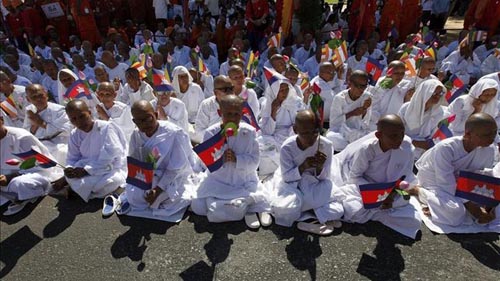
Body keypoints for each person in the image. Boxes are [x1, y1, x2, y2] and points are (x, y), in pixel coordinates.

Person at [332, 115, 421, 238]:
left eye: (402, 134)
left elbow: (405, 176)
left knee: (413, 220)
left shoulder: (407, 148)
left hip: (392, 190)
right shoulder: (367, 149)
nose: (399, 139)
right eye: (393, 136)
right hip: (368, 186)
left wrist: (392, 195)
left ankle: (378, 209)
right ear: (379, 136)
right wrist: (379, 195)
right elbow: (355, 177)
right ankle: (378, 209)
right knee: (352, 209)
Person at [191, 95, 268, 228]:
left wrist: (237, 159)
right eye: (228, 114)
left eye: (236, 114)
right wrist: (220, 154)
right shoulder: (211, 132)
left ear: (242, 114)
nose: (232, 118)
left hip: (242, 180)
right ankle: (245, 206)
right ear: (220, 113)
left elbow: (255, 162)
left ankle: (246, 206)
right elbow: (207, 164)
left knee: (260, 198)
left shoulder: (249, 132)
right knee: (197, 206)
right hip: (218, 181)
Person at [414, 113, 499, 230]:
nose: (492, 138)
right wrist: (473, 208)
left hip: (463, 183)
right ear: (468, 134)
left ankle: (440, 206)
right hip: (435, 180)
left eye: (494, 133)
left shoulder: (489, 149)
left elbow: (480, 177)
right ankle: (419, 191)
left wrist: (487, 202)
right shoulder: (446, 148)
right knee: (455, 213)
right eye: (486, 134)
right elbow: (446, 182)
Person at [267, 110, 344, 234]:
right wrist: (303, 167)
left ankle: (309, 216)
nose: (311, 137)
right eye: (305, 133)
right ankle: (315, 215)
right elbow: (286, 177)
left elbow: (325, 178)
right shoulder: (287, 147)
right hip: (294, 186)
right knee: (283, 209)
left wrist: (319, 167)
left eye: (314, 132)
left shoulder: (326, 145)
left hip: (315, 184)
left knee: (340, 210)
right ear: (295, 129)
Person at [114, 101, 194, 221]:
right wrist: (141, 182)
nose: (145, 124)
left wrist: (157, 189)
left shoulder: (174, 133)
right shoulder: (136, 135)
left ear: (156, 115)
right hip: (147, 176)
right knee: (133, 196)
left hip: (173, 176)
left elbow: (177, 168)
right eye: (139, 121)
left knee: (173, 200)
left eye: (148, 119)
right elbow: (134, 161)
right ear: (134, 122)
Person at [51, 100, 127, 202]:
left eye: (82, 116)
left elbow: (111, 155)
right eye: (73, 119)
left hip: (109, 167)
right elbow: (72, 157)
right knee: (73, 178)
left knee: (113, 181)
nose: (79, 121)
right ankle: (78, 188)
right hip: (84, 167)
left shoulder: (106, 127)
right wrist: (69, 168)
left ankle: (75, 190)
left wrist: (87, 170)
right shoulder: (74, 134)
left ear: (90, 113)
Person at [0, 114, 63, 215]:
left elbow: (39, 165)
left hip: (36, 174)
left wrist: (10, 177)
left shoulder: (21, 138)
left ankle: (27, 193)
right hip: (4, 178)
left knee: (20, 184)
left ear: (2, 120)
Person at [259, 76, 304, 175]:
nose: (284, 93)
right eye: (281, 90)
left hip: (291, 134)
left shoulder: (294, 102)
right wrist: (273, 111)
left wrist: (292, 130)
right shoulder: (267, 104)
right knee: (261, 144)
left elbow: (297, 123)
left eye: (286, 89)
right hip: (274, 136)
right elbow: (267, 131)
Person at [23, 84, 72, 165]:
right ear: (28, 99)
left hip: (58, 143)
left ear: (46, 95)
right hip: (39, 144)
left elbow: (66, 130)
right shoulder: (30, 110)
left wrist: (41, 123)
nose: (38, 99)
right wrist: (35, 125)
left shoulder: (59, 110)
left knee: (62, 153)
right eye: (34, 97)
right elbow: (26, 132)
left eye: (40, 95)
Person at [398, 79, 447, 160]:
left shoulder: (441, 112)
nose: (437, 96)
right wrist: (414, 142)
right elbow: (397, 132)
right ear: (425, 92)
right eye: (434, 93)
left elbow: (434, 140)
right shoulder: (406, 108)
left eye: (440, 93)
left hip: (424, 156)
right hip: (402, 150)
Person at [326, 71, 372, 151]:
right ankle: (354, 148)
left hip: (358, 133)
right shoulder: (339, 98)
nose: (361, 89)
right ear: (350, 84)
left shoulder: (367, 97)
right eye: (358, 86)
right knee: (330, 137)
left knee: (371, 135)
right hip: (341, 133)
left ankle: (353, 147)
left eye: (364, 86)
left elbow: (366, 123)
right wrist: (352, 113)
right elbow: (334, 122)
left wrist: (364, 110)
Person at [370, 61, 412, 127]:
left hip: (395, 123)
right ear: (389, 72)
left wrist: (407, 99)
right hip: (377, 123)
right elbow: (373, 106)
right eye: (396, 73)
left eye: (402, 73)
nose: (399, 76)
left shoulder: (407, 85)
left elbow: (406, 108)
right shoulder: (382, 83)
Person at [194, 76, 235, 143]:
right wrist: (218, 137)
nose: (229, 92)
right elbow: (199, 132)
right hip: (213, 144)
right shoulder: (207, 104)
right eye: (225, 90)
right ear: (216, 93)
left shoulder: (239, 104)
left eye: (231, 88)